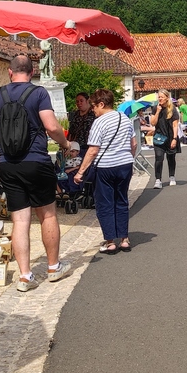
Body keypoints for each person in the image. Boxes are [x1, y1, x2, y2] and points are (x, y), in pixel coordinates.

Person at [0, 55, 75, 293]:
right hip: (36, 161)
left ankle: (25, 276)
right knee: (48, 215)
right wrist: (65, 144)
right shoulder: (39, 93)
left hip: (8, 164)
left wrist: (1, 144)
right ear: (32, 72)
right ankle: (53, 267)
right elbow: (52, 126)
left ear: (10, 72)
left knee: (20, 220)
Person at [74, 88, 137, 254]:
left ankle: (110, 241)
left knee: (104, 204)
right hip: (125, 165)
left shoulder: (99, 122)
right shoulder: (124, 118)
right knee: (121, 201)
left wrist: (80, 172)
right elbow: (134, 144)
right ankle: (124, 239)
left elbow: (93, 150)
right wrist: (127, 158)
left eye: (94, 106)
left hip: (106, 167)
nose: (93, 109)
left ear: (102, 104)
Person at [148, 90, 181, 187]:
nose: (160, 99)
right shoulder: (155, 108)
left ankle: (172, 176)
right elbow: (153, 123)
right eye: (159, 97)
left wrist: (174, 138)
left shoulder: (173, 109)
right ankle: (158, 180)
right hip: (159, 137)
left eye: (162, 97)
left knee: (171, 158)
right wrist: (158, 111)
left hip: (170, 137)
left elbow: (175, 125)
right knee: (159, 158)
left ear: (167, 97)